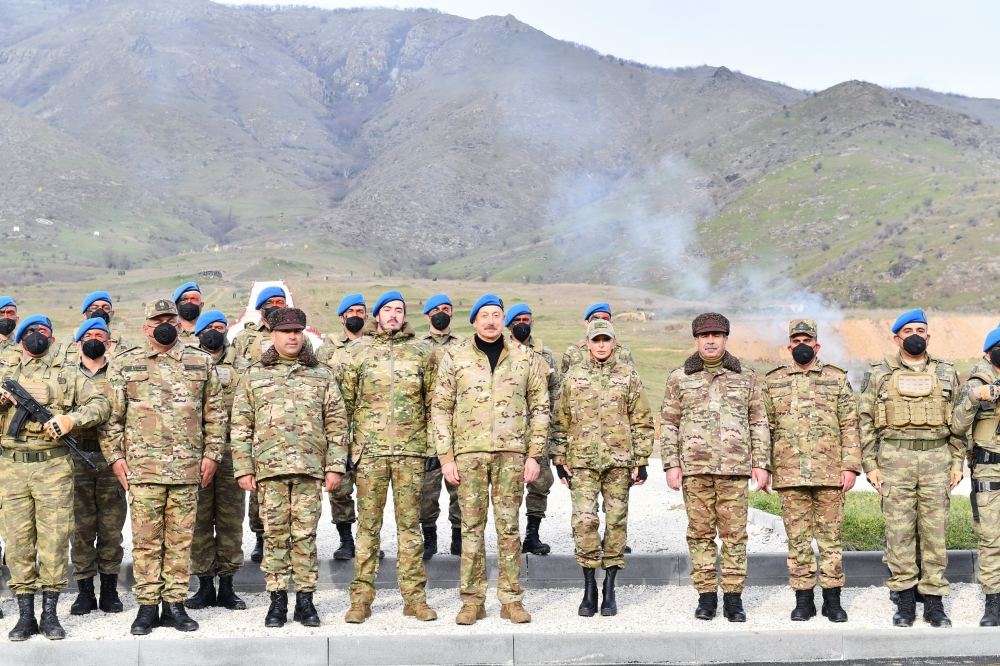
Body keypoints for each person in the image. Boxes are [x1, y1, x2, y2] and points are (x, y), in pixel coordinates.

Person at [101, 298, 227, 635]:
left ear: (179, 324)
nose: (165, 326)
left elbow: (215, 414)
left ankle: (174, 605)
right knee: (145, 541)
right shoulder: (125, 363)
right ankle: (146, 606)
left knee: (180, 541)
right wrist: (116, 458)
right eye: (158, 321)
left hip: (187, 469)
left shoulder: (200, 361)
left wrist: (213, 455)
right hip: (143, 471)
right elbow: (112, 419)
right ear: (146, 327)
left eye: (170, 320)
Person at [431, 294, 549, 625]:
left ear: (504, 320)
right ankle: (472, 601)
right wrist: (446, 456)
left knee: (508, 527)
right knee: (471, 528)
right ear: (474, 321)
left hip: (511, 454)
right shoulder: (455, 357)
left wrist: (534, 454)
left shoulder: (525, 358)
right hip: (469, 454)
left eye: (497, 315)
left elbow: (540, 407)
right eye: (484, 315)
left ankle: (511, 599)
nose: (491, 321)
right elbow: (440, 408)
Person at [231, 307, 348, 628]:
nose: (292, 337)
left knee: (305, 536)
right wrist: (243, 467)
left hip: (310, 469)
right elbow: (240, 425)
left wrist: (335, 466)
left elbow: (337, 423)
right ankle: (277, 600)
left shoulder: (321, 374)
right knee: (275, 536)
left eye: (297, 331)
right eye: (286, 332)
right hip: (270, 470)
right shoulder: (254, 375)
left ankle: (306, 601)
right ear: (273, 335)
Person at [0, 315, 110, 640]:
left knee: (54, 540)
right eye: (30, 331)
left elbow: (101, 404)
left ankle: (50, 614)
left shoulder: (68, 374)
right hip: (12, 468)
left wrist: (70, 420)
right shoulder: (5, 373)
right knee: (18, 542)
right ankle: (25, 616)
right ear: (21, 339)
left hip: (53, 466)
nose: (37, 336)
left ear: (52, 338)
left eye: (43, 331)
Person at [661, 312, 771, 622]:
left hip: (734, 470)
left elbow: (758, 421)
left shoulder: (745, 377)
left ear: (725, 338)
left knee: (735, 535)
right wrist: (671, 464)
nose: (710, 341)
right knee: (700, 534)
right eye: (704, 336)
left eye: (716, 335)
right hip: (695, 470)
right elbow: (669, 422)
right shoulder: (679, 377)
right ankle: (706, 596)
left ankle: (734, 598)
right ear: (696, 340)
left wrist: (761, 463)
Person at [858, 308, 964, 628]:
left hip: (936, 459)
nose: (915, 336)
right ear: (896, 338)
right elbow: (864, 420)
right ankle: (904, 598)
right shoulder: (879, 373)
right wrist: (870, 465)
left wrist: (957, 462)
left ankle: (933, 600)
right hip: (895, 458)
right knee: (899, 531)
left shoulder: (946, 372)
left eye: (920, 330)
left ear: (928, 336)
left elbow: (959, 423)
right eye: (908, 331)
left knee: (935, 532)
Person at [341, 291, 437, 623]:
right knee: (368, 527)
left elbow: (432, 402)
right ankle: (360, 600)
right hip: (371, 453)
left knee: (410, 527)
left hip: (411, 451)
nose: (394, 315)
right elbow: (345, 405)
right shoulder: (358, 352)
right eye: (388, 310)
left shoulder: (421, 352)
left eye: (399, 310)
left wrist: (432, 446)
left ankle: (415, 598)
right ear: (377, 315)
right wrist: (346, 449)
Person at [552, 319, 653, 617]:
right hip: (582, 463)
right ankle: (589, 587)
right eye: (595, 340)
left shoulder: (628, 376)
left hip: (618, 463)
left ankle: (609, 586)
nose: (601, 345)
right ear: (587, 343)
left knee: (617, 521)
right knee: (584, 522)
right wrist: (559, 459)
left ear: (613, 342)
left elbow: (642, 420)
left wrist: (641, 460)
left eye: (605, 340)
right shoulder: (573, 377)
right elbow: (560, 420)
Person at [762, 319, 861, 622]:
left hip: (830, 474)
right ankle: (803, 599)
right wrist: (764, 467)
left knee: (831, 541)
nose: (801, 346)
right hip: (790, 474)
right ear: (788, 346)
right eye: (796, 341)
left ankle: (832, 600)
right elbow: (764, 428)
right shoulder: (773, 381)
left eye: (807, 341)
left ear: (817, 346)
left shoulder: (836, 378)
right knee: (798, 541)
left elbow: (850, 424)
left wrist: (850, 466)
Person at [185, 310, 247, 612]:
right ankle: (205, 584)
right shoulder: (187, 364)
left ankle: (228, 586)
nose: (215, 331)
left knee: (230, 521)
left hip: (232, 453)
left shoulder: (242, 367)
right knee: (198, 520)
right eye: (209, 327)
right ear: (198, 332)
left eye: (220, 327)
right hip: (195, 453)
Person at [67, 318, 127, 618]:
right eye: (88, 335)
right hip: (75, 456)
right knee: (80, 528)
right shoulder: (65, 376)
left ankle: (110, 590)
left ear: (109, 342)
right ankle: (85, 592)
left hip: (110, 457)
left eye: (100, 335)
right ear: (79, 343)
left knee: (111, 527)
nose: (94, 339)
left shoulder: (120, 373)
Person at [232, 285, 288, 562]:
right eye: (271, 302)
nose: (277, 306)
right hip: (259, 420)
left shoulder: (295, 334)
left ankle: (291, 539)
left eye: (281, 301)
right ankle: (261, 537)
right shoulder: (245, 338)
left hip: (289, 420)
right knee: (260, 485)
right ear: (260, 307)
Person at [952, 325, 1000, 627]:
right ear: (989, 352)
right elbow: (957, 427)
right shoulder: (975, 383)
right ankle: (994, 600)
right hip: (989, 469)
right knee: (992, 538)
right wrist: (975, 397)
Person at [316, 292, 367, 561]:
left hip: (369, 431)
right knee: (340, 488)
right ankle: (346, 540)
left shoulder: (375, 346)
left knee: (370, 491)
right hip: (337, 428)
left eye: (360, 311)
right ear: (341, 317)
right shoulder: (327, 350)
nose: (356, 316)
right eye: (351, 312)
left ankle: (368, 541)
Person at [505, 303, 558, 556]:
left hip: (538, 429)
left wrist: (552, 422)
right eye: (516, 321)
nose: (522, 324)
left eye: (526, 319)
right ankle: (510, 536)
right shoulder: (502, 351)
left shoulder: (545, 354)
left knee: (540, 483)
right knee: (509, 486)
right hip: (510, 430)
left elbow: (555, 390)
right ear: (508, 325)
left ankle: (532, 534)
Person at [419, 293, 462, 558]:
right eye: (435, 310)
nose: (441, 313)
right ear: (427, 315)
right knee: (427, 489)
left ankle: (458, 537)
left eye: (446, 308)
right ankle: (429, 537)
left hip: (457, 427)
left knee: (460, 488)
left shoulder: (463, 346)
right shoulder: (418, 347)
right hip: (426, 431)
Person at [560, 302, 635, 374]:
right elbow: (564, 379)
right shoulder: (573, 351)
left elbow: (631, 377)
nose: (600, 323)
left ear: (611, 324)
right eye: (595, 319)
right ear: (586, 323)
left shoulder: (623, 352)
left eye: (605, 319)